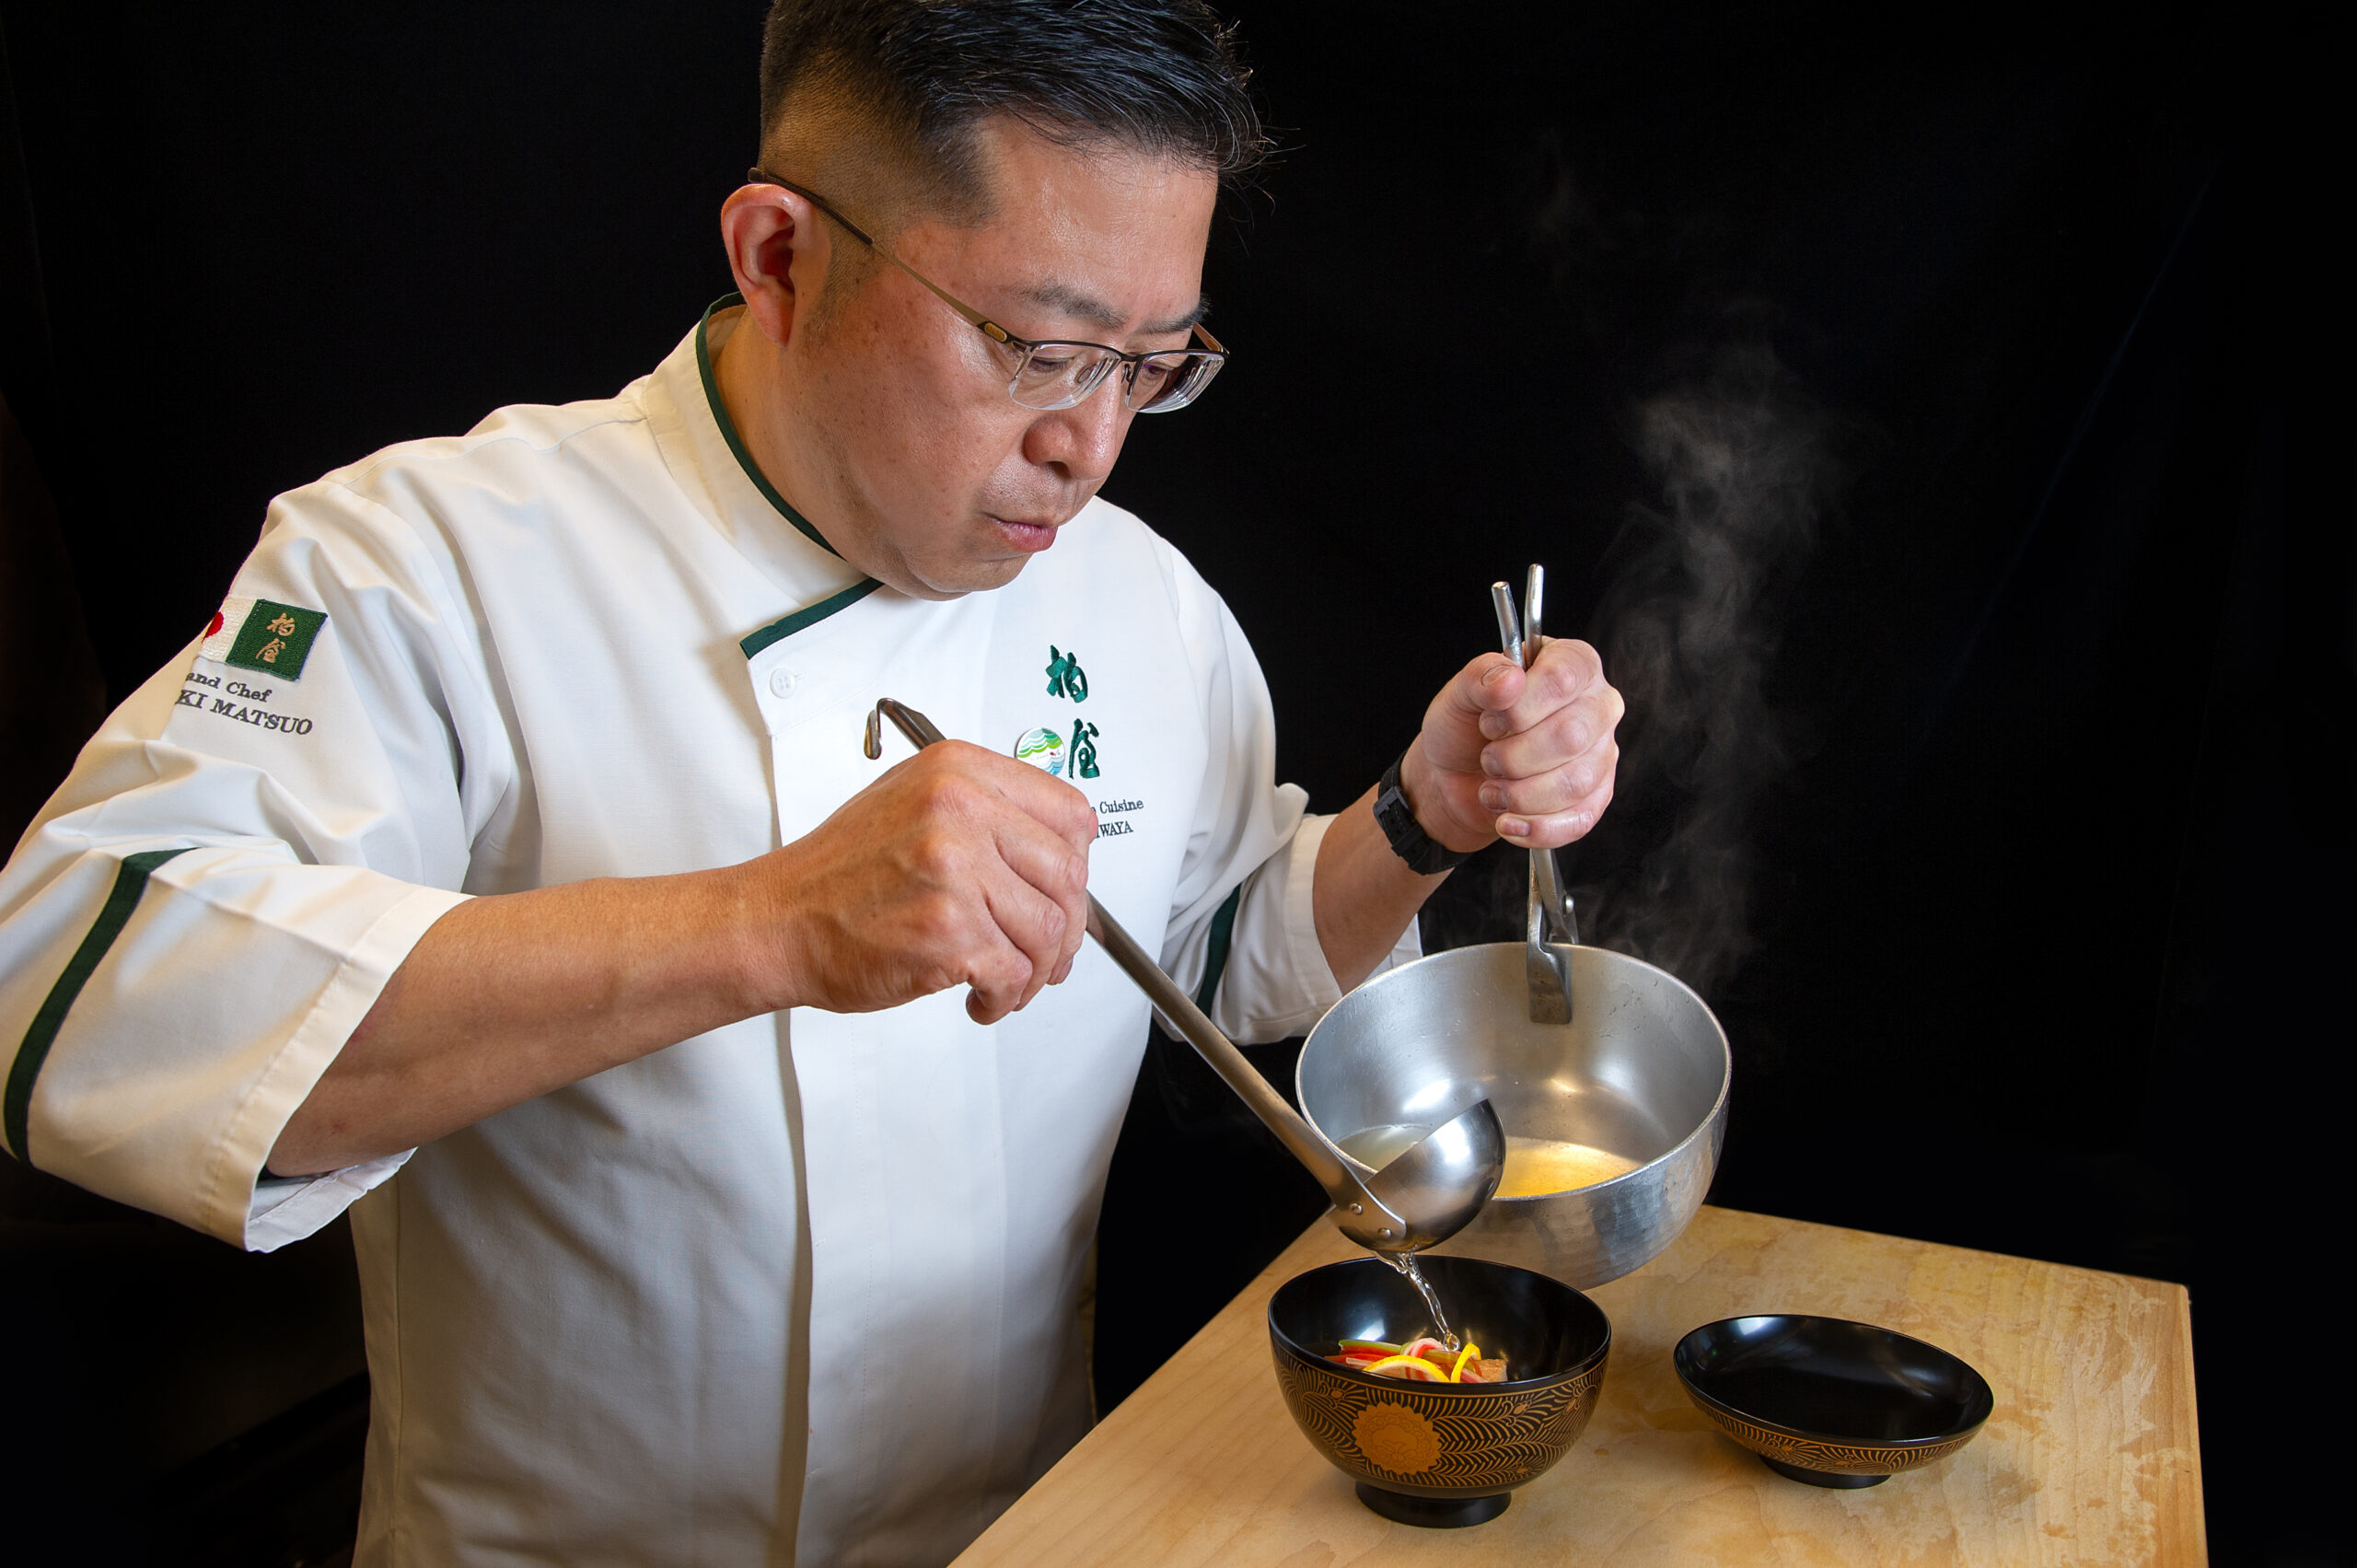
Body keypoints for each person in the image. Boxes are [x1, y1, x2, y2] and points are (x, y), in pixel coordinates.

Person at [0, 2, 1622, 1562]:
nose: (1090, 444)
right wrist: (769, 925)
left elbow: (1209, 952)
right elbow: (73, 981)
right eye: (1039, 349)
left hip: (1019, 1540)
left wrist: (1423, 818)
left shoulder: (1140, 599)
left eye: (1150, 364)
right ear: (780, 257)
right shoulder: (432, 560)